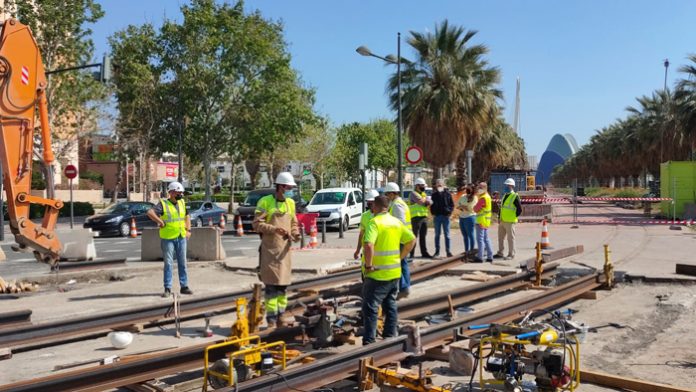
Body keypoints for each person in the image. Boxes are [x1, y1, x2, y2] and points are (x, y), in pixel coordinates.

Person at [361, 195, 416, 345]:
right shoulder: (396, 222)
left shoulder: (375, 223)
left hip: (377, 274)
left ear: (375, 207)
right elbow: (411, 240)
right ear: (387, 207)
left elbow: (368, 244)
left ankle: (369, 341)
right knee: (390, 304)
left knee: (370, 307)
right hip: (394, 273)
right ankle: (390, 335)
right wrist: (400, 257)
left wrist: (368, 265)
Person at [252, 172, 301, 328]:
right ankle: (271, 319)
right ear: (280, 187)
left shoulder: (290, 203)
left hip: (284, 251)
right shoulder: (265, 202)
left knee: (283, 286)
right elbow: (256, 224)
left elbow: (293, 223)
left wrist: (295, 233)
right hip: (270, 250)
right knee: (272, 287)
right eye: (288, 187)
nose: (290, 190)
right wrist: (274, 229)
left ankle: (281, 316)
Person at [146, 181, 193, 298]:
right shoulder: (163, 204)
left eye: (181, 193)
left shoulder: (182, 202)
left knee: (183, 262)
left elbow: (187, 216)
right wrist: (160, 221)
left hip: (181, 236)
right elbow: (150, 212)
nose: (181, 195)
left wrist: (188, 230)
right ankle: (167, 288)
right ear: (171, 193)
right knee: (168, 263)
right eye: (178, 192)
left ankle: (184, 286)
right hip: (168, 238)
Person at [383, 182, 412, 297]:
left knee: (398, 263)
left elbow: (400, 222)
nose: (386, 196)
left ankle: (404, 287)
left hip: (400, 239)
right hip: (403, 238)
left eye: (387, 194)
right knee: (403, 263)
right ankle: (406, 287)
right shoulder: (400, 203)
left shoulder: (397, 205)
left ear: (392, 193)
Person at [494, 178, 522, 260]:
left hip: (510, 221)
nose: (506, 186)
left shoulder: (515, 196)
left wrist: (513, 217)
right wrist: (499, 218)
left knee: (510, 239)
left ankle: (511, 254)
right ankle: (500, 252)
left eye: (507, 185)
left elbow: (519, 210)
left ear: (512, 186)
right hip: (502, 220)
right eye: (506, 185)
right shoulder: (505, 195)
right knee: (500, 238)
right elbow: (502, 208)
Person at [354, 189, 380, 261]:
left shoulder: (382, 215)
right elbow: (361, 235)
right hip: (367, 251)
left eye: (371, 203)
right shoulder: (365, 216)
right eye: (368, 203)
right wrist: (358, 250)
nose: (370, 205)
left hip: (379, 251)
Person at [408, 178, 432, 258]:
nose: (423, 187)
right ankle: (411, 254)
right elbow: (422, 202)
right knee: (414, 237)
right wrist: (426, 201)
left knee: (423, 236)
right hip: (416, 218)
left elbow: (429, 203)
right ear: (417, 185)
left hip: (424, 217)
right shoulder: (413, 194)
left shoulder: (423, 194)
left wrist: (426, 201)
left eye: (423, 186)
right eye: (422, 185)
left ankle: (424, 253)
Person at [430, 179, 454, 258]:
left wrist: (449, 213)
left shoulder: (447, 194)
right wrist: (433, 213)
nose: (439, 185)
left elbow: (452, 204)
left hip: (445, 217)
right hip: (437, 217)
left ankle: (448, 251)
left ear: (443, 185)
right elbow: (431, 205)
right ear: (436, 185)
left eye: (440, 184)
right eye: (438, 184)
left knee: (447, 235)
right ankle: (437, 252)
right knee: (437, 235)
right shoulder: (434, 195)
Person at [473, 182, 494, 263]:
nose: (478, 189)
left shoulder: (483, 198)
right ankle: (490, 256)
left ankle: (480, 257)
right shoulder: (487, 196)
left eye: (480, 188)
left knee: (480, 240)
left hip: (481, 221)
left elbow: (476, 209)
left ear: (484, 188)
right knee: (486, 239)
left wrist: (475, 207)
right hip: (486, 221)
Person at [457, 184, 478, 256]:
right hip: (462, 218)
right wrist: (463, 207)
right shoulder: (463, 196)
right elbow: (457, 205)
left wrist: (462, 206)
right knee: (465, 236)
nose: (467, 190)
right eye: (466, 188)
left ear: (472, 189)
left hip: (470, 218)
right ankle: (466, 251)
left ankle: (471, 251)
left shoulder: (475, 197)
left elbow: (470, 209)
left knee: (471, 235)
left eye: (468, 188)